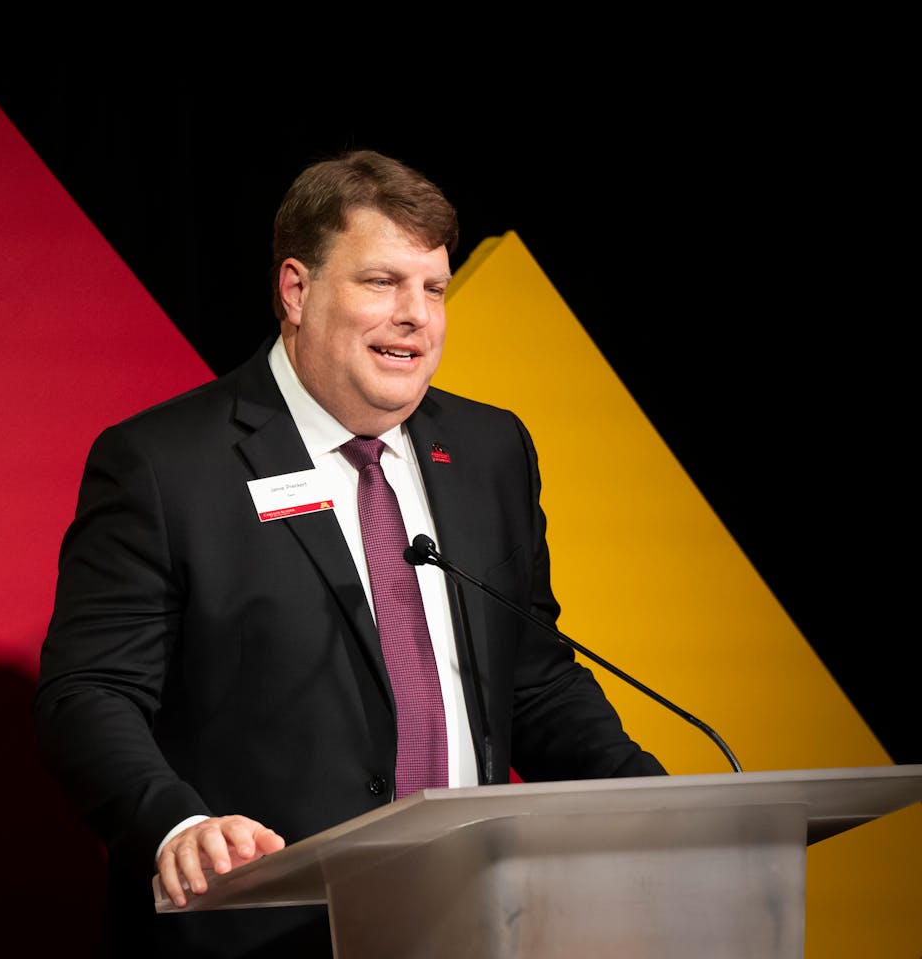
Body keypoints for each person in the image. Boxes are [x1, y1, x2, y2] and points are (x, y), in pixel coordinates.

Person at [34, 148, 666, 957]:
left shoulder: (489, 449)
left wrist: (644, 797)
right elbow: (87, 693)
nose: (417, 316)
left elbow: (530, 680)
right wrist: (175, 822)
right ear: (296, 291)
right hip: (261, 926)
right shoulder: (167, 465)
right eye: (382, 283)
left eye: (433, 288)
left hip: (471, 919)